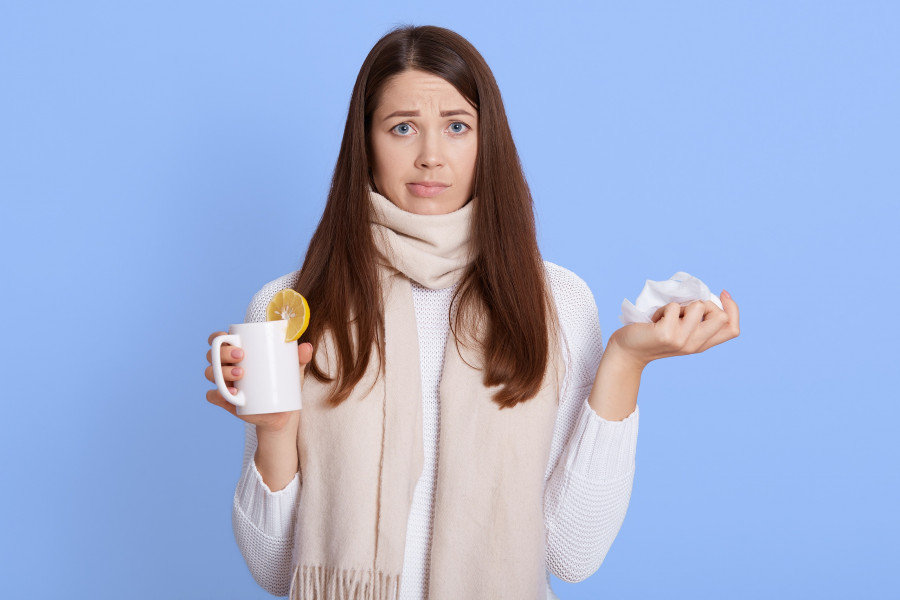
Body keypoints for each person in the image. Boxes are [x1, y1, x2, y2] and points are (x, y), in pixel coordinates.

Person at [204, 24, 740, 600]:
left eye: (457, 126)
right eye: (402, 127)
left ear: (487, 142)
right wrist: (275, 430)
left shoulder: (554, 300)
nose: (431, 156)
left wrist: (625, 363)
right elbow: (273, 570)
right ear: (366, 144)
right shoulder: (297, 306)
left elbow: (574, 554)